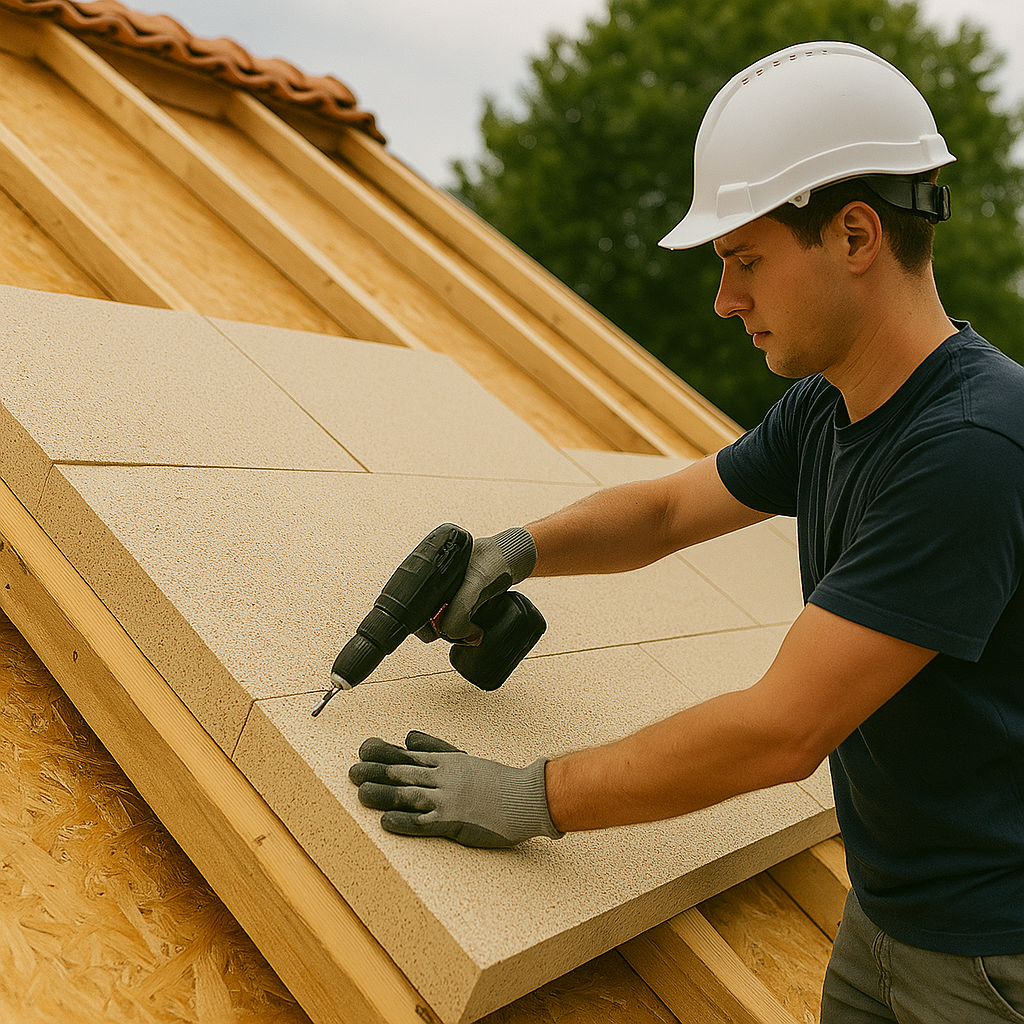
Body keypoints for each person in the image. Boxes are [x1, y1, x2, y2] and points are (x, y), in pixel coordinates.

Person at [350, 41, 1024, 1022]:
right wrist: (512, 550)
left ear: (853, 235)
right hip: (885, 915)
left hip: (987, 961)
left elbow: (782, 730)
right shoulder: (832, 407)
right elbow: (666, 511)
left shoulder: (969, 449)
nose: (725, 299)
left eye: (744, 260)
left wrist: (525, 797)